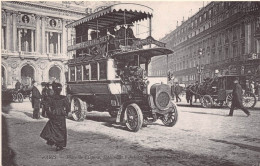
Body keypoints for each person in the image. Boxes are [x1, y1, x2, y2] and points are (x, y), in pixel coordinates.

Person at [40, 82, 70, 151]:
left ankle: (54, 141)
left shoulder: (50, 98)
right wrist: (66, 113)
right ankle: (60, 145)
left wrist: (49, 115)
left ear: (53, 89)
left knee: (53, 129)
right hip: (61, 115)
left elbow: (46, 107)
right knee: (61, 130)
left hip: (54, 115)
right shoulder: (64, 98)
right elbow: (68, 107)